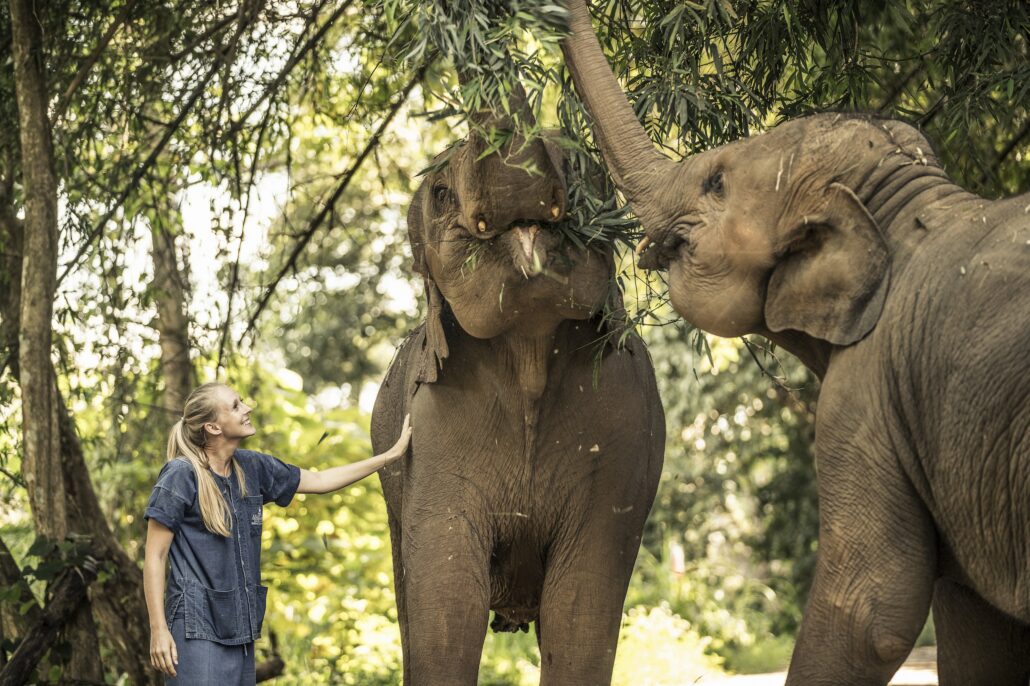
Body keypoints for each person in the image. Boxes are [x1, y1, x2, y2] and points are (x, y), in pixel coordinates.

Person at [143, 382, 411, 684]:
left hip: (241, 631)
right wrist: (159, 629)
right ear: (213, 427)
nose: (247, 408)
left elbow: (320, 480)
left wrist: (389, 456)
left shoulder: (252, 467)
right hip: (194, 629)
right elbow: (155, 555)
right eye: (235, 406)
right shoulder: (181, 475)